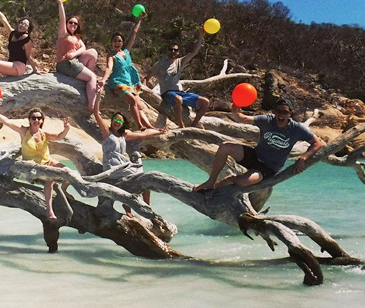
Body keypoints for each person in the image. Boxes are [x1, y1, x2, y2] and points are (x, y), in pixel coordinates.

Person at [193, 98, 324, 192]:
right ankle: (210, 182)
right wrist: (235, 111)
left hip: (268, 168)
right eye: (278, 111)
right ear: (274, 112)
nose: (281, 115)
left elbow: (317, 143)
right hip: (255, 156)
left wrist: (303, 158)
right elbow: (243, 119)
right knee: (225, 147)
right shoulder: (267, 120)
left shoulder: (297, 129)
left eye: (284, 112)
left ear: (290, 114)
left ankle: (230, 180)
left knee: (242, 182)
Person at [0, 106, 71, 221]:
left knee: (70, 172)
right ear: (29, 119)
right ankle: (49, 210)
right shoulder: (24, 131)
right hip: (33, 166)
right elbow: (7, 122)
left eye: (39, 118)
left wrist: (66, 128)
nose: (36, 120)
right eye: (33, 118)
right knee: (49, 180)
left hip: (48, 161)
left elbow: (59, 136)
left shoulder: (44, 134)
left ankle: (65, 190)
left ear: (42, 120)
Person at [91, 90, 165, 215]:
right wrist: (98, 96)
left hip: (124, 164)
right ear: (111, 120)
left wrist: (157, 131)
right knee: (136, 181)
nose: (117, 122)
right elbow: (96, 113)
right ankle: (129, 207)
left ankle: (147, 207)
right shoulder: (106, 133)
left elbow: (143, 134)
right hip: (112, 167)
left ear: (122, 123)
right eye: (115, 119)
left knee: (146, 181)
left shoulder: (124, 135)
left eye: (120, 121)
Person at [99, 14, 156, 130]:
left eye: (119, 41)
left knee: (139, 106)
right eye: (115, 41)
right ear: (111, 43)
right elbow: (109, 67)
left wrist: (139, 19)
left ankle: (149, 126)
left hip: (132, 82)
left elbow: (134, 33)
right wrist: (103, 80)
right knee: (132, 100)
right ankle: (140, 126)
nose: (117, 42)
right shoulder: (111, 55)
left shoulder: (126, 52)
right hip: (117, 83)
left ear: (122, 43)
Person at [145, 28, 211, 128]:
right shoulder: (160, 64)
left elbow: (194, 52)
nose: (173, 51)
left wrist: (201, 35)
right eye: (171, 49)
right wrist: (144, 91)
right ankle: (180, 125)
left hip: (179, 92)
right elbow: (147, 77)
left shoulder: (180, 61)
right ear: (167, 51)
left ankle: (194, 125)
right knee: (178, 99)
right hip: (167, 93)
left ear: (178, 52)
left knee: (205, 102)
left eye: (175, 50)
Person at [55, 0, 99, 109]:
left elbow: (83, 48)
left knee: (93, 52)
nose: (73, 25)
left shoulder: (77, 38)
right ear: (67, 23)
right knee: (92, 77)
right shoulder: (63, 34)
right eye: (71, 22)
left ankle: (87, 80)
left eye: (75, 24)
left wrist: (74, 54)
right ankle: (91, 106)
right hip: (65, 63)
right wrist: (60, 3)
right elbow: (61, 18)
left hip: (73, 61)